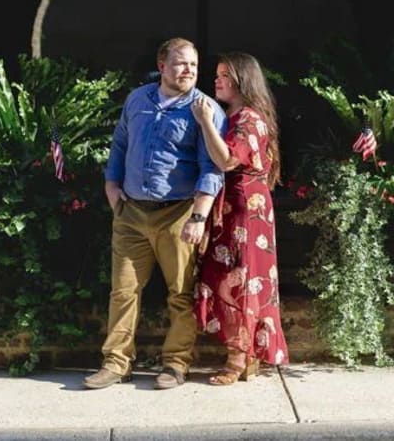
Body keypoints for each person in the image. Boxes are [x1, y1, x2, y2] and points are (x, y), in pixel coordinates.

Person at [83, 37, 227, 390]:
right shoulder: (138, 100)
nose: (189, 70)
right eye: (180, 63)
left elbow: (213, 168)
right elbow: (120, 143)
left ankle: (176, 365)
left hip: (177, 213)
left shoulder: (204, 109)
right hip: (131, 212)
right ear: (162, 66)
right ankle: (116, 363)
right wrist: (112, 188)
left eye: (193, 64)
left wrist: (198, 217)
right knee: (123, 291)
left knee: (181, 293)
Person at [191, 51, 290, 384]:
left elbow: (227, 160)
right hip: (236, 207)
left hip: (245, 210)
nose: (217, 80)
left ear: (243, 81)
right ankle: (244, 356)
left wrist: (204, 121)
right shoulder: (234, 115)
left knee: (243, 279)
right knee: (231, 274)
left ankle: (239, 358)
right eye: (217, 74)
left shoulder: (249, 118)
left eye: (225, 75)